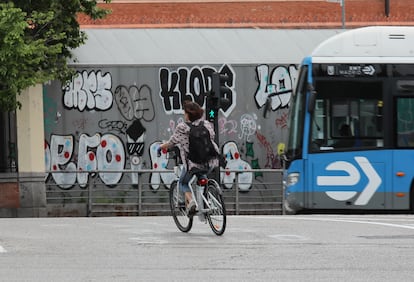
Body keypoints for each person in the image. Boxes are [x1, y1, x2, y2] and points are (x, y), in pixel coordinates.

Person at [159, 100, 219, 216]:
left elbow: (171, 142)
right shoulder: (206, 124)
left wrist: (161, 147)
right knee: (201, 176)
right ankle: (208, 200)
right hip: (210, 161)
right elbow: (212, 136)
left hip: (192, 163)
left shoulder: (182, 128)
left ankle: (191, 202)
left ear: (188, 114)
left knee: (183, 182)